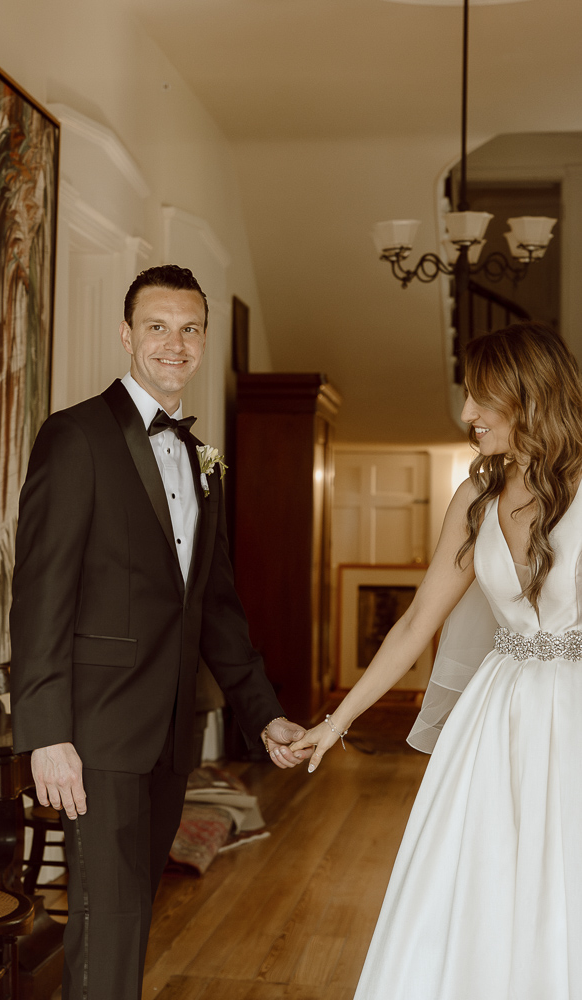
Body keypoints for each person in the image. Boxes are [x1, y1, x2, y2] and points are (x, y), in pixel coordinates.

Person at [10, 264, 309, 1000]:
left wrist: (263, 713)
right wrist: (47, 732)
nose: (173, 344)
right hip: (94, 736)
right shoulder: (74, 436)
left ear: (202, 341)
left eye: (189, 329)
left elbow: (213, 606)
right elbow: (39, 595)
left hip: (171, 732)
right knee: (104, 923)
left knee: (129, 917)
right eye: (156, 327)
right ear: (126, 335)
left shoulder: (202, 461)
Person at [290, 321, 582, 999]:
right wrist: (336, 723)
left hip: (570, 715)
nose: (465, 415)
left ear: (529, 396)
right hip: (494, 713)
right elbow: (417, 622)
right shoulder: (474, 499)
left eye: (481, 398)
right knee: (479, 877)